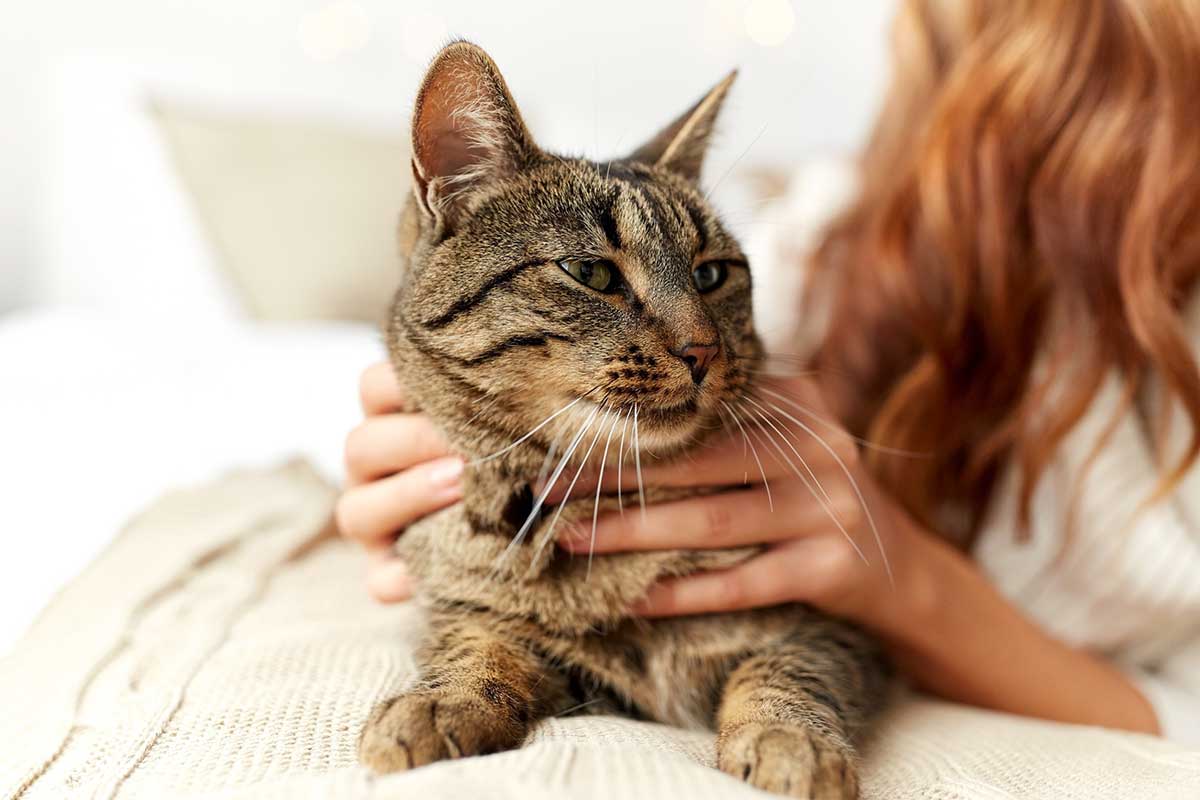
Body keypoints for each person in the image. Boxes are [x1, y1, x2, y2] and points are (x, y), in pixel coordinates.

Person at [336, 0, 1200, 744]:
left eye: (710, 281)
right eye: (597, 277)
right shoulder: (835, 228)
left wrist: (906, 578)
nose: (693, 340)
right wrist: (400, 479)